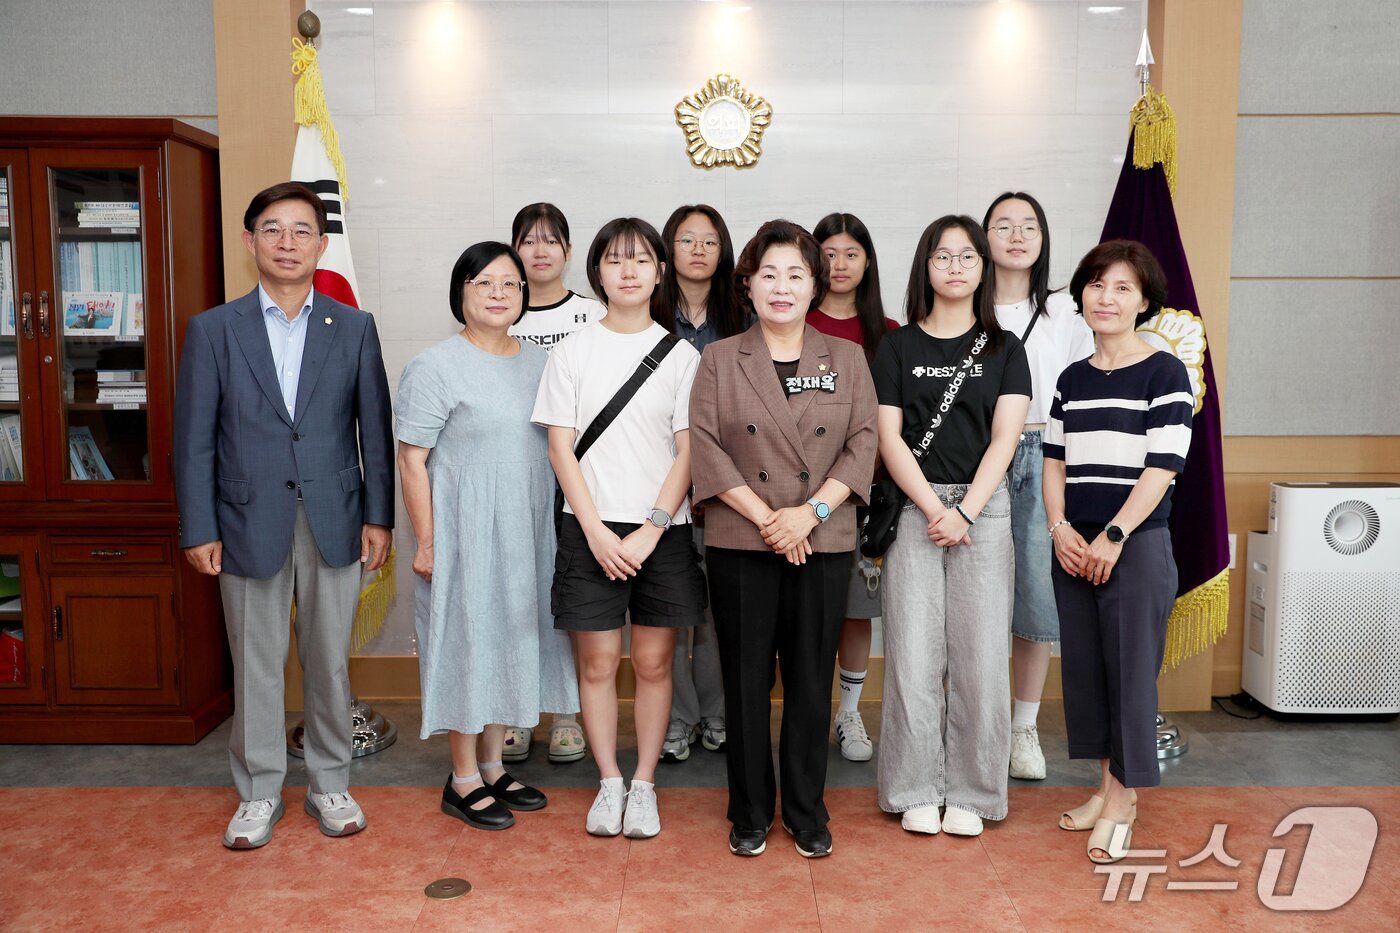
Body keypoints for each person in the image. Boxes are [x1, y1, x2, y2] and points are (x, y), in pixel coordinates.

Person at [174, 182, 394, 849]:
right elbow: (194, 439)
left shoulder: (353, 326)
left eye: (301, 231)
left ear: (322, 244)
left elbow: (374, 432)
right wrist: (200, 526)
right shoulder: (214, 329)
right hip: (245, 520)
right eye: (272, 229)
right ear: (250, 241)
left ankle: (330, 783)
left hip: (336, 517)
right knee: (257, 665)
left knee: (328, 662)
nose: (287, 242)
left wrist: (379, 517)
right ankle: (259, 791)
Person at [690, 219, 878, 859]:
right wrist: (773, 519)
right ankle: (748, 811)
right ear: (747, 284)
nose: (781, 286)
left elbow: (863, 443)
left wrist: (809, 514)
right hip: (741, 538)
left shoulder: (847, 358)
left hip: (822, 538)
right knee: (744, 683)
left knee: (809, 679)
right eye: (768, 273)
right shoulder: (720, 358)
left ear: (815, 285)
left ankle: (805, 810)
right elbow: (706, 447)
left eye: (796, 274)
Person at [532, 217, 706, 839]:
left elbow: (689, 450)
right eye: (614, 259)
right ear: (597, 273)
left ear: (659, 272)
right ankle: (609, 781)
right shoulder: (572, 350)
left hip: (663, 531)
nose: (628, 271)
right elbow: (560, 447)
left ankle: (645, 783)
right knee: (599, 663)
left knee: (655, 663)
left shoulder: (683, 356)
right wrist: (597, 532)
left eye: (640, 260)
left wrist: (652, 529)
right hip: (590, 529)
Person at [396, 241, 579, 831]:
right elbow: (411, 461)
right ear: (461, 293)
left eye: (509, 284)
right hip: (464, 532)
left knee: (511, 642)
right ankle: (462, 779)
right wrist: (428, 543)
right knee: (467, 645)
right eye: (484, 283)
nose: (498, 294)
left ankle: (494, 766)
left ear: (524, 295)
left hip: (527, 530)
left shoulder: (540, 363)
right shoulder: (434, 366)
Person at [873, 215, 1030, 838]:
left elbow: (1006, 438)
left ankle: (973, 792)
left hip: (984, 513)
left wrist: (965, 511)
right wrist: (934, 507)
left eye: (968, 256)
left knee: (982, 658)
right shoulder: (897, 347)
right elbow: (889, 437)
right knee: (912, 656)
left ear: (983, 268)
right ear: (925, 267)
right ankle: (914, 787)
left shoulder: (1006, 349)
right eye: (943, 256)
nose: (956, 266)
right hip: (916, 509)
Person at [1043, 240, 1191, 863]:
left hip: (1136, 545)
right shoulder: (1071, 379)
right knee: (1087, 674)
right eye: (1097, 285)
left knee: (1130, 676)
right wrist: (1059, 528)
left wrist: (1115, 534)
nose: (1106, 298)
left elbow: (1164, 466)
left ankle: (1125, 801)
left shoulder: (1164, 372)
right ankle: (1104, 789)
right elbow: (1054, 461)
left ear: (1144, 301)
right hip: (1075, 547)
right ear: (1082, 294)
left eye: (1123, 288)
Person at [982, 192, 1096, 781]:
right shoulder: (966, 305)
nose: (1017, 235)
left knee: (1035, 597)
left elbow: (1081, 390)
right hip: (979, 459)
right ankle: (975, 724)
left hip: (1046, 453)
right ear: (984, 238)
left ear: (1044, 238)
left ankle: (1023, 728)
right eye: (1003, 225)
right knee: (973, 597)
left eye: (1029, 226)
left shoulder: (1065, 311)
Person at [504, 202, 598, 765]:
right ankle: (517, 713)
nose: (539, 251)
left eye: (550, 240)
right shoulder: (499, 309)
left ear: (567, 249)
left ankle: (567, 714)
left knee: (572, 598)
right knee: (519, 596)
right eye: (528, 240)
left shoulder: (592, 314)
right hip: (516, 474)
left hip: (581, 478)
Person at [656, 203, 747, 763]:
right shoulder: (647, 312)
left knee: (717, 611)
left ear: (723, 252)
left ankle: (715, 712)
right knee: (667, 609)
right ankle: (676, 717)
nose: (697, 250)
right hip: (657, 483)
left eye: (709, 241)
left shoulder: (742, 316)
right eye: (686, 239)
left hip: (725, 486)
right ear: (668, 250)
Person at [808, 211, 899, 763]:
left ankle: (848, 713)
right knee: (806, 612)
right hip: (800, 497)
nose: (839, 264)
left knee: (855, 610)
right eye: (828, 254)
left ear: (868, 262)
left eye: (851, 254)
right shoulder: (794, 320)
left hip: (867, 495)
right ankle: (810, 712)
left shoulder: (887, 333)